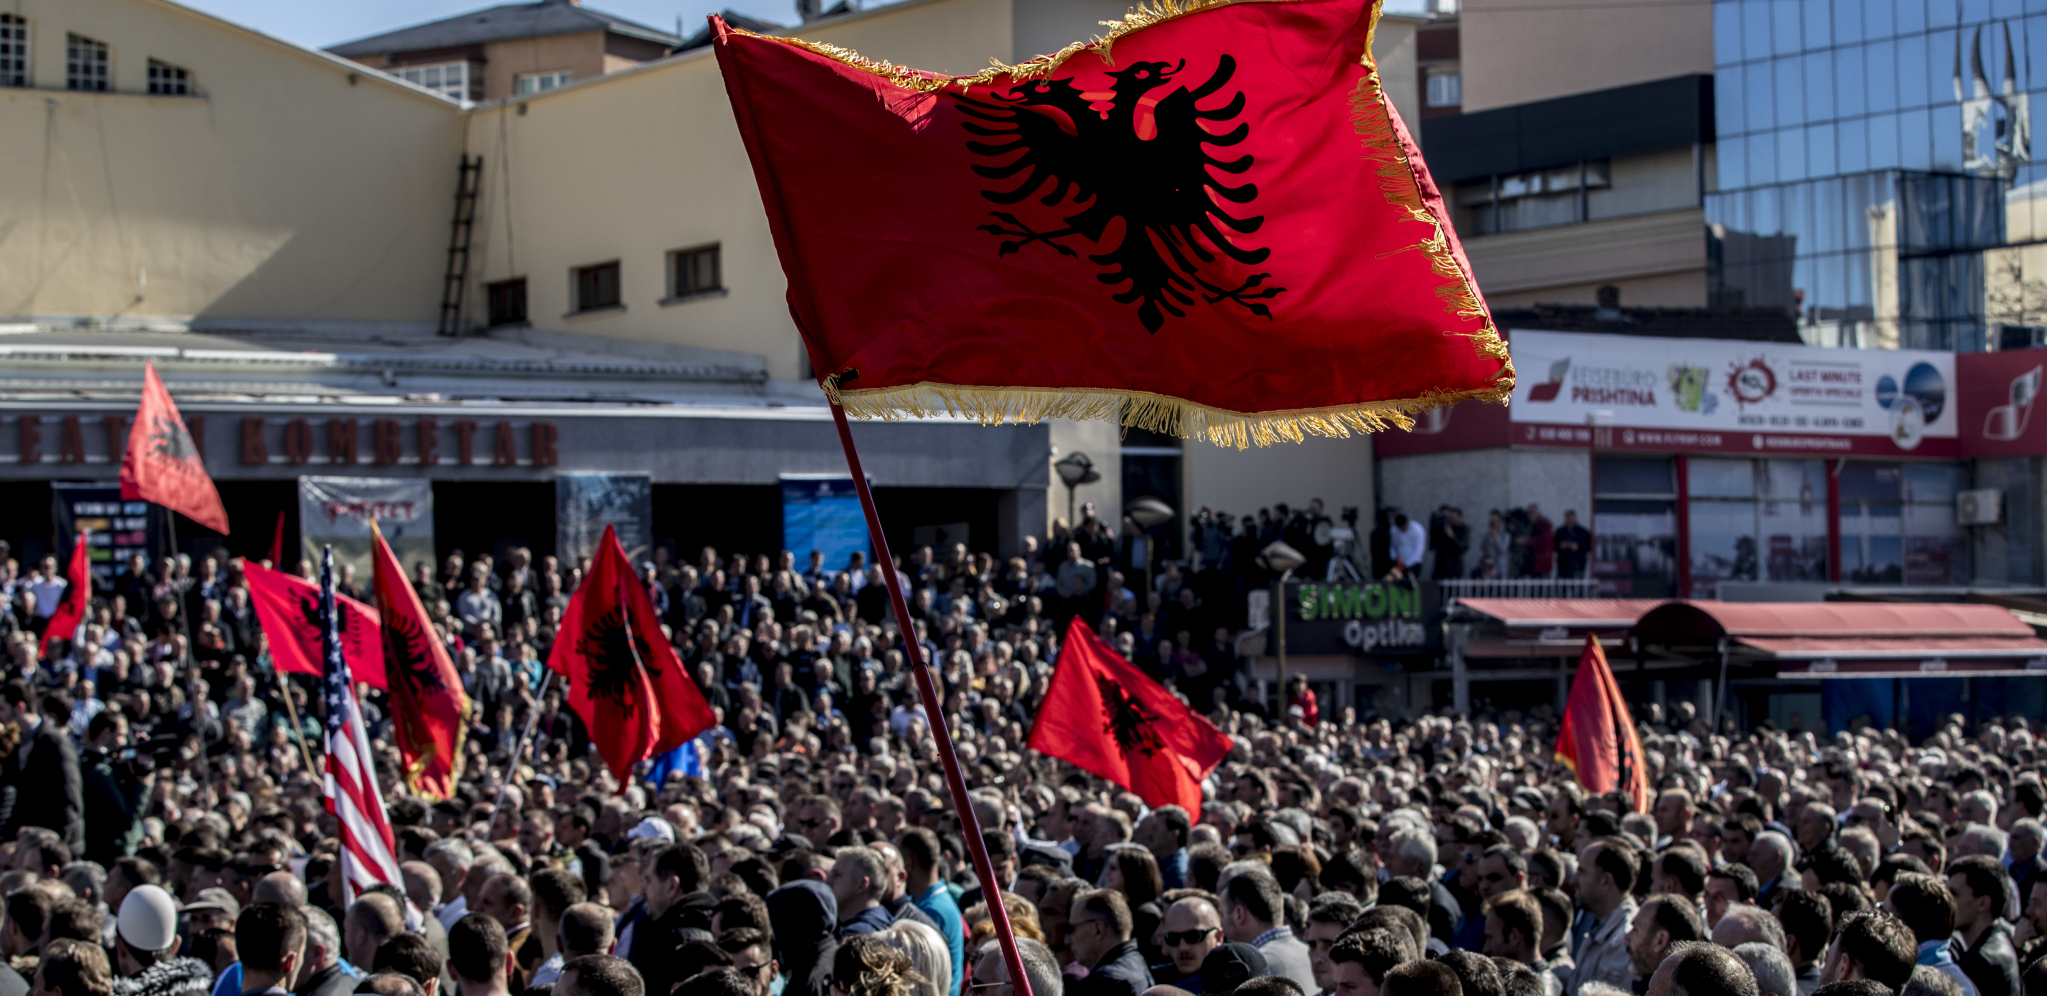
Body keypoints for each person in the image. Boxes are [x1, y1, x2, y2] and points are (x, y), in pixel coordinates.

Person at [0, 681, 84, 854]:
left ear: (20, 708)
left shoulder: (54, 742)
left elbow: (70, 799)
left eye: (2, 709)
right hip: (34, 847)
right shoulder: (21, 744)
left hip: (56, 848)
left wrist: (60, 850)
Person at [1219, 872, 1315, 996]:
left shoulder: (1254, 968)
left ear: (1239, 914)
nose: (1221, 924)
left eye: (1222, 915)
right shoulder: (1309, 952)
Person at [1066, 891, 1151, 996]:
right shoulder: (1137, 963)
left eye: (1071, 929)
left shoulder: (1103, 983)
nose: (1067, 940)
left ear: (1097, 930)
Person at [1552, 512, 1591, 580]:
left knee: (1577, 587)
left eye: (1571, 518)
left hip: (1578, 564)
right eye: (1568, 519)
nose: (1570, 521)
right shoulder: (1560, 531)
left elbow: (1589, 546)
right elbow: (1553, 545)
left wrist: (1578, 547)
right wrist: (1560, 545)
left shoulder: (1583, 532)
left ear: (1575, 518)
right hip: (1563, 565)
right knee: (1561, 588)